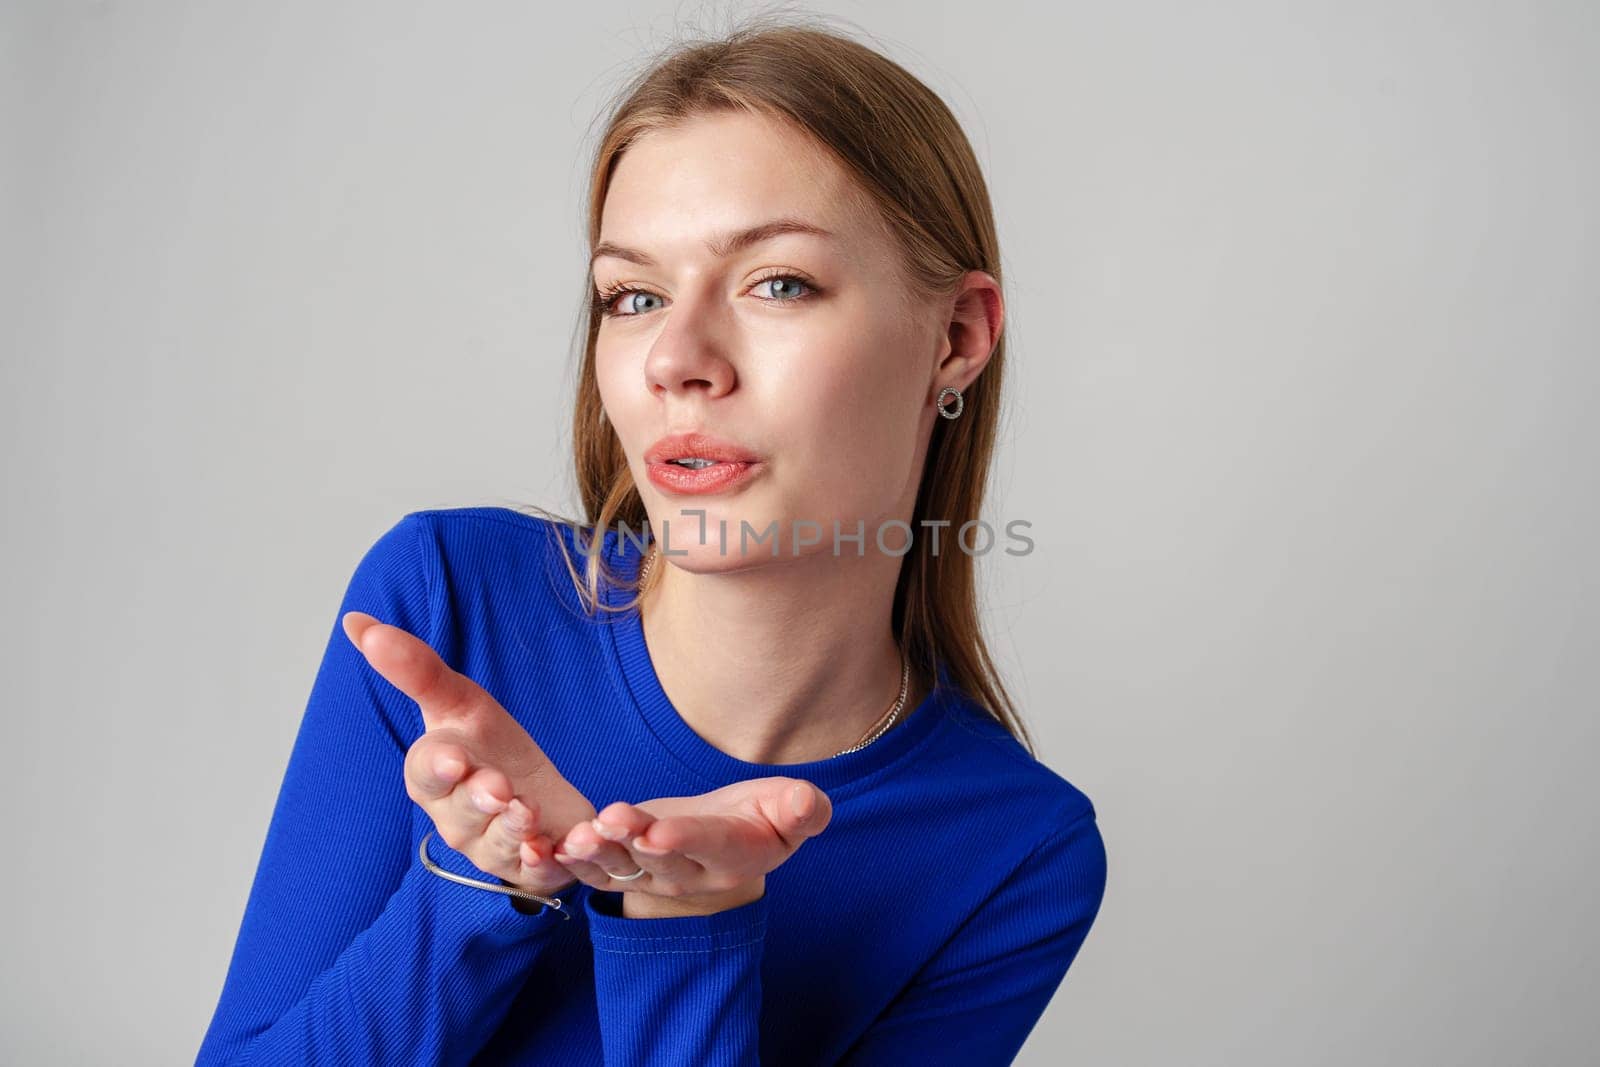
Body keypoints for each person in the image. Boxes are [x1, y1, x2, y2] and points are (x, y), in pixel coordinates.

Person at [196, 17, 1107, 1066]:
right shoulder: (450, 603)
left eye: (778, 283)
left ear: (955, 338)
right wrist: (478, 881)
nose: (677, 358)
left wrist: (688, 930)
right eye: (634, 296)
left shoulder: (1013, 850)